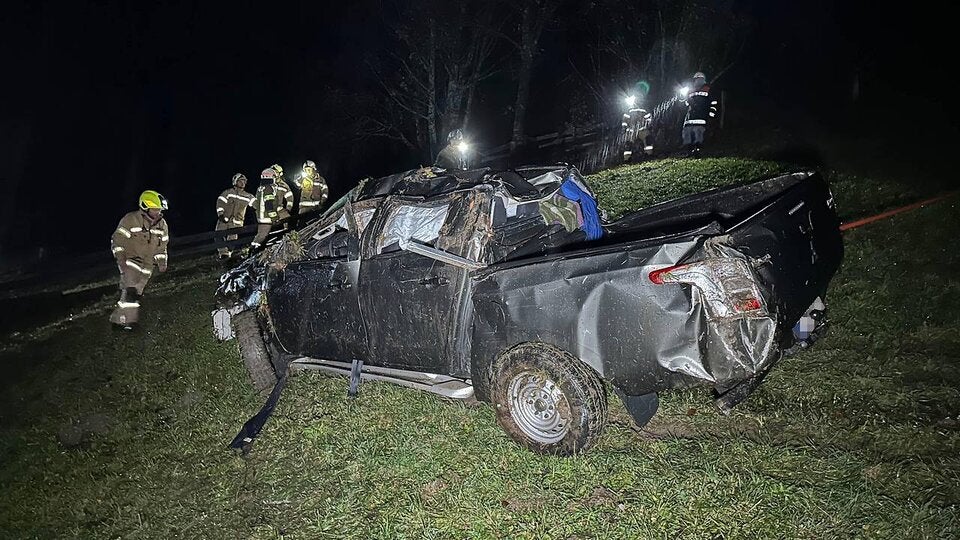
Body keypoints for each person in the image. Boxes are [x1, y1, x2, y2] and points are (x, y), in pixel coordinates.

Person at [109, 190, 170, 330]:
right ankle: (130, 322)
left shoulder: (162, 225)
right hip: (131, 261)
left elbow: (162, 247)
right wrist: (121, 260)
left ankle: (118, 320)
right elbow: (117, 240)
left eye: (159, 209)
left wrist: (162, 263)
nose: (158, 212)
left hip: (148, 265)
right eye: (155, 209)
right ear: (145, 207)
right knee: (130, 291)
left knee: (135, 294)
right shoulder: (130, 220)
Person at [215, 173, 254, 259]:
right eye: (240, 181)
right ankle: (223, 253)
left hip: (237, 222)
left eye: (244, 181)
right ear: (235, 182)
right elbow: (220, 203)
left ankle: (228, 254)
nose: (243, 183)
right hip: (224, 219)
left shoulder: (248, 196)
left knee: (232, 239)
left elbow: (256, 204)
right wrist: (221, 214)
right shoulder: (228, 193)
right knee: (218, 235)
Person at [681, 71, 719, 157]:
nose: (698, 81)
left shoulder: (708, 88)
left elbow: (713, 103)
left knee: (698, 134)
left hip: (701, 116)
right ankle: (689, 151)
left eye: (699, 79)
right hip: (690, 117)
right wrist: (685, 100)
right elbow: (686, 104)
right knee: (687, 133)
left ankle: (697, 151)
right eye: (697, 79)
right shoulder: (690, 90)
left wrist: (711, 115)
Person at [251, 168, 281, 250]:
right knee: (262, 236)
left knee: (260, 234)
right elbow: (269, 204)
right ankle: (254, 251)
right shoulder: (268, 188)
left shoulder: (260, 188)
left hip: (261, 217)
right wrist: (274, 218)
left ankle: (253, 248)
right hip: (266, 217)